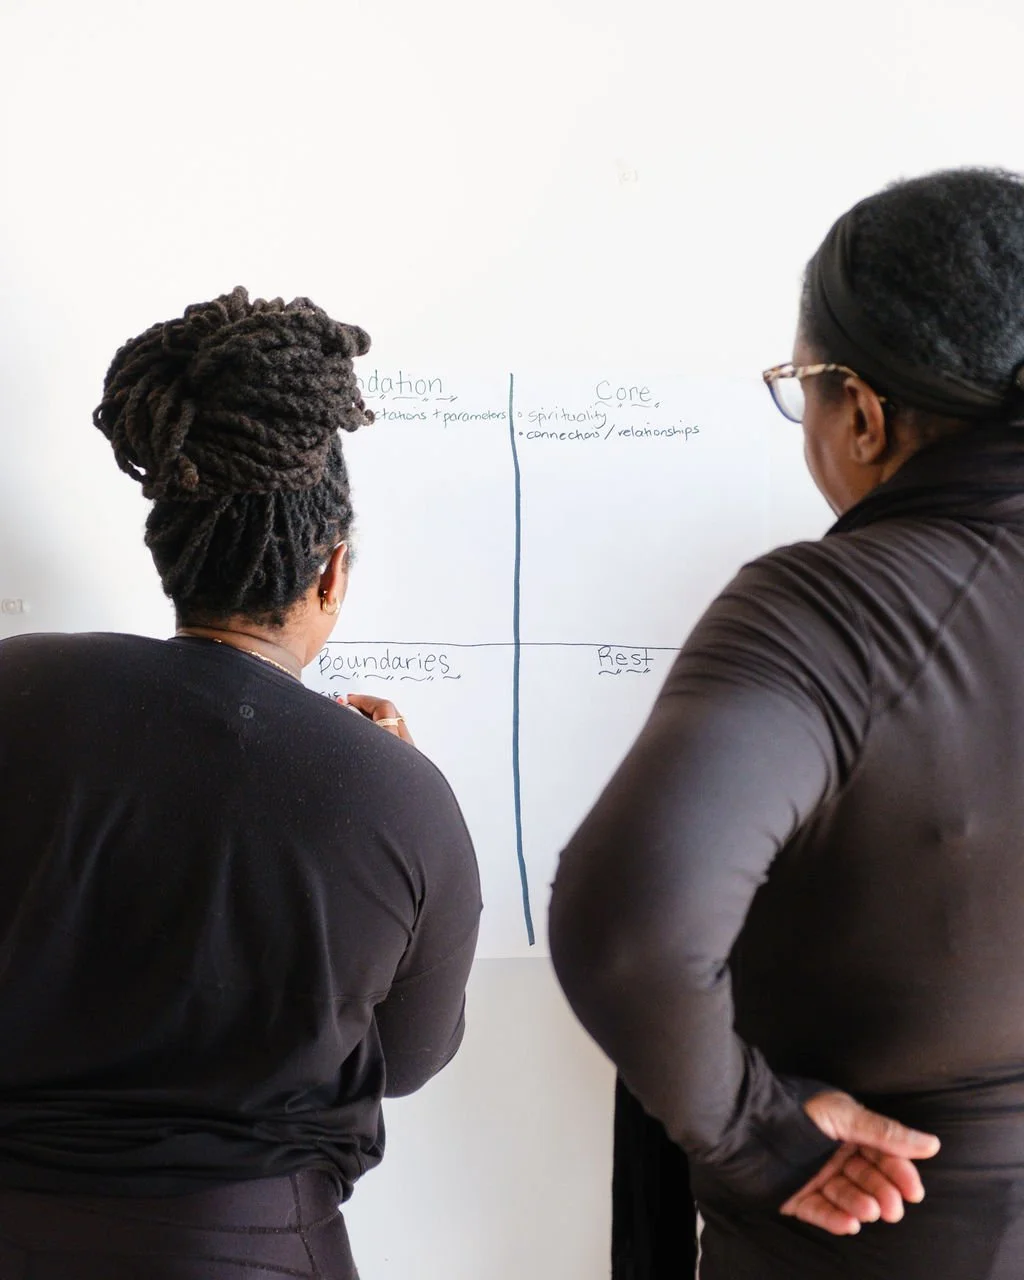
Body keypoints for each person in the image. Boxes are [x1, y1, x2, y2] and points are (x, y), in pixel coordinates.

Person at [549, 167, 1024, 1280]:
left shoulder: (834, 608)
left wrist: (757, 1135)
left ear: (860, 410)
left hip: (875, 1237)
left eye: (799, 386)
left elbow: (629, 933)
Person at [0, 287, 481, 1279]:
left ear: (170, 547)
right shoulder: (398, 794)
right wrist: (389, 779)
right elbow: (412, 1057)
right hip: (250, 1250)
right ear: (332, 573)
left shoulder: (15, 688)